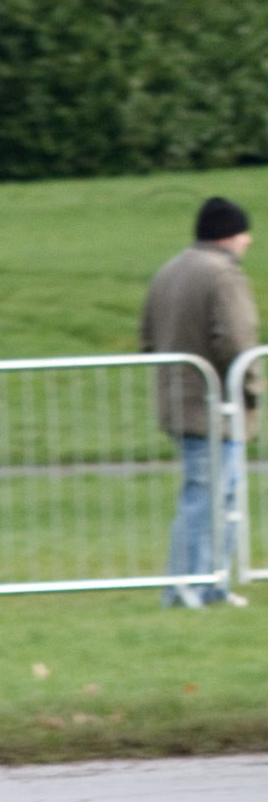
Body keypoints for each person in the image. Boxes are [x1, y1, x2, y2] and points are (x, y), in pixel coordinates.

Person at [140, 196, 255, 606]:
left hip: (178, 401)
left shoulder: (169, 270)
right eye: (243, 233)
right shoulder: (222, 275)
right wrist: (252, 386)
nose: (248, 241)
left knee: (215, 495)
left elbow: (148, 339)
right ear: (228, 235)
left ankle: (210, 585)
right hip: (215, 406)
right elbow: (236, 340)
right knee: (207, 498)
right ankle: (189, 586)